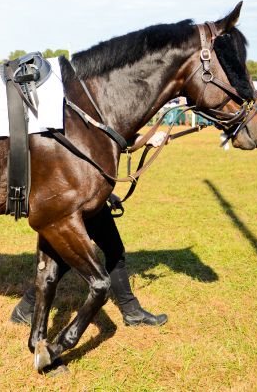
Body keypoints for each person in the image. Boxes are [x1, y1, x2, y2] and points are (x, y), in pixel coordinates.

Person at [10, 132, 170, 328]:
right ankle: (26, 307)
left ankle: (131, 311)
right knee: (64, 261)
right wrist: (148, 138)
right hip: (79, 202)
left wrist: (107, 194)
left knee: (113, 251)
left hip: (92, 198)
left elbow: (108, 143)